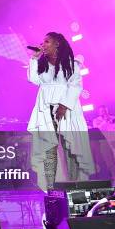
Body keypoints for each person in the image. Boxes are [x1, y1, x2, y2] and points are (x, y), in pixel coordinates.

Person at [27, 32, 94, 190]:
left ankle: (75, 187)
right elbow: (34, 80)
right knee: (48, 149)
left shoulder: (71, 63)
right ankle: (51, 189)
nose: (42, 44)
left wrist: (64, 106)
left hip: (67, 109)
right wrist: (34, 59)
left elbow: (76, 84)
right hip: (45, 109)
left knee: (71, 146)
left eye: (46, 41)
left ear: (57, 44)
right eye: (42, 41)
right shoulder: (42, 63)